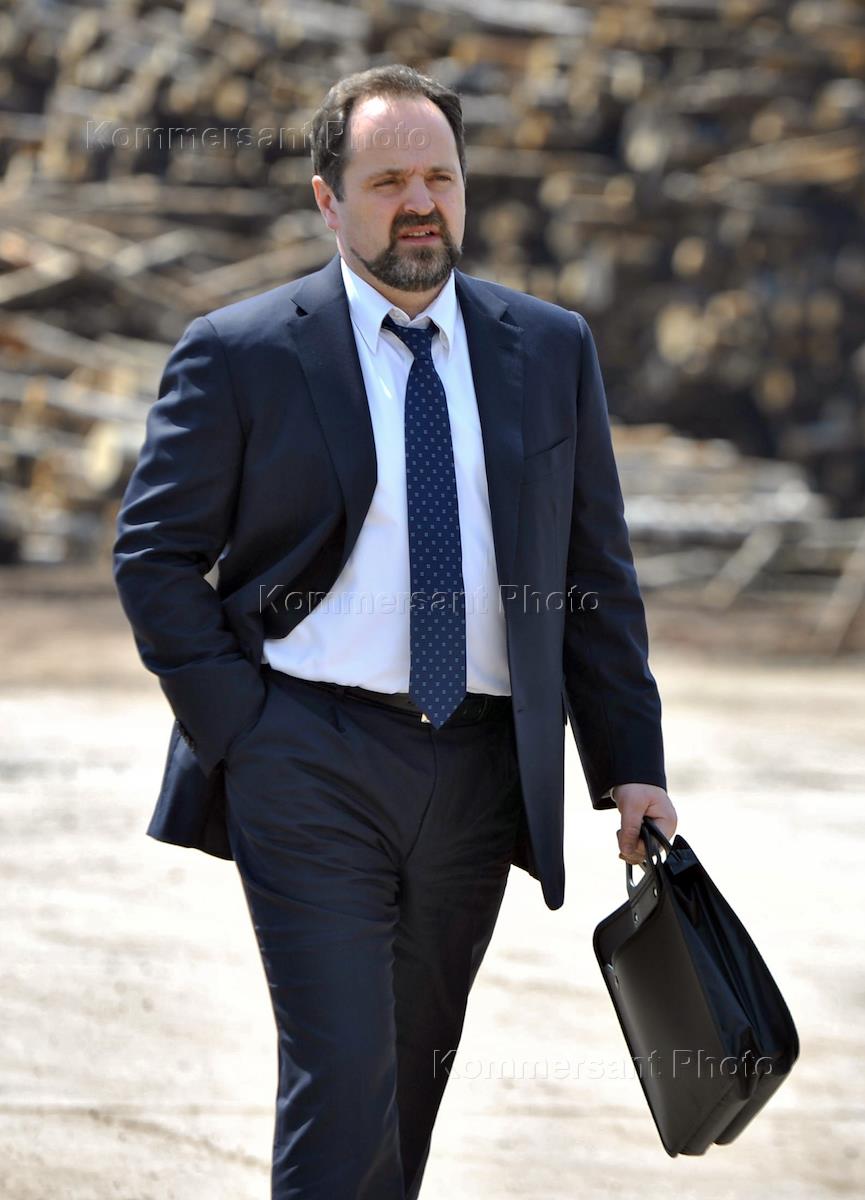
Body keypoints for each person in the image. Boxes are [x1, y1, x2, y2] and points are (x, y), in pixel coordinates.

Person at [113, 63, 677, 1200]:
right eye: (386, 182)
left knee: (409, 1086)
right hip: (306, 759)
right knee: (344, 1076)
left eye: (439, 178)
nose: (419, 203)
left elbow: (594, 574)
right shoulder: (242, 351)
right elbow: (154, 556)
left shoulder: (548, 348)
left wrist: (631, 764)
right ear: (328, 201)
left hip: (478, 770)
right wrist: (244, 729)